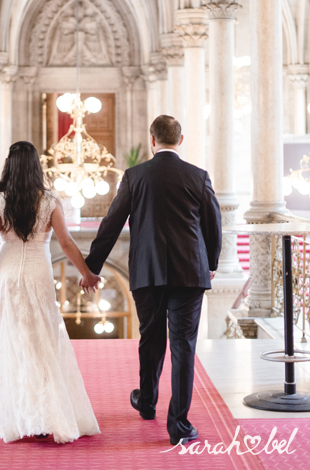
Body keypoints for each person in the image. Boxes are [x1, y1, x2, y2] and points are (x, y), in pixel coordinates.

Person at [80, 115, 222, 445]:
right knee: (184, 347)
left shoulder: (135, 176)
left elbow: (111, 223)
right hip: (190, 273)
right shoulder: (198, 176)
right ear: (181, 140)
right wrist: (211, 263)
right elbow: (213, 226)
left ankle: (146, 402)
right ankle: (179, 425)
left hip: (147, 271)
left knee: (151, 338)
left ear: (152, 140)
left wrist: (92, 267)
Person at [0, 141, 101, 444]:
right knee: (41, 340)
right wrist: (87, 273)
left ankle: (15, 412)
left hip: (5, 273)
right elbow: (65, 243)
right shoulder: (50, 200)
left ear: (9, 166)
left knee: (10, 339)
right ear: (36, 167)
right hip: (38, 271)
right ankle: (43, 413)